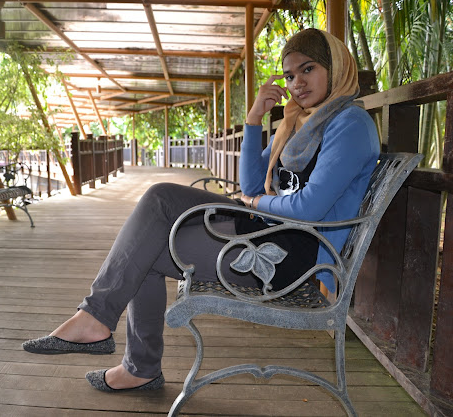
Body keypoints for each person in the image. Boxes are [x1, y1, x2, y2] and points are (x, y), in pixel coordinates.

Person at [22, 28, 380, 393]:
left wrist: (257, 204)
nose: (297, 83)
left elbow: (309, 208)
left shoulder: (349, 124)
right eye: (289, 75)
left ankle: (132, 359)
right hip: (263, 226)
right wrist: (254, 119)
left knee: (146, 250)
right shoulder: (298, 122)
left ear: (336, 67)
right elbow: (251, 185)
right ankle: (100, 322)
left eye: (308, 69)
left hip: (289, 254)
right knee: (159, 199)